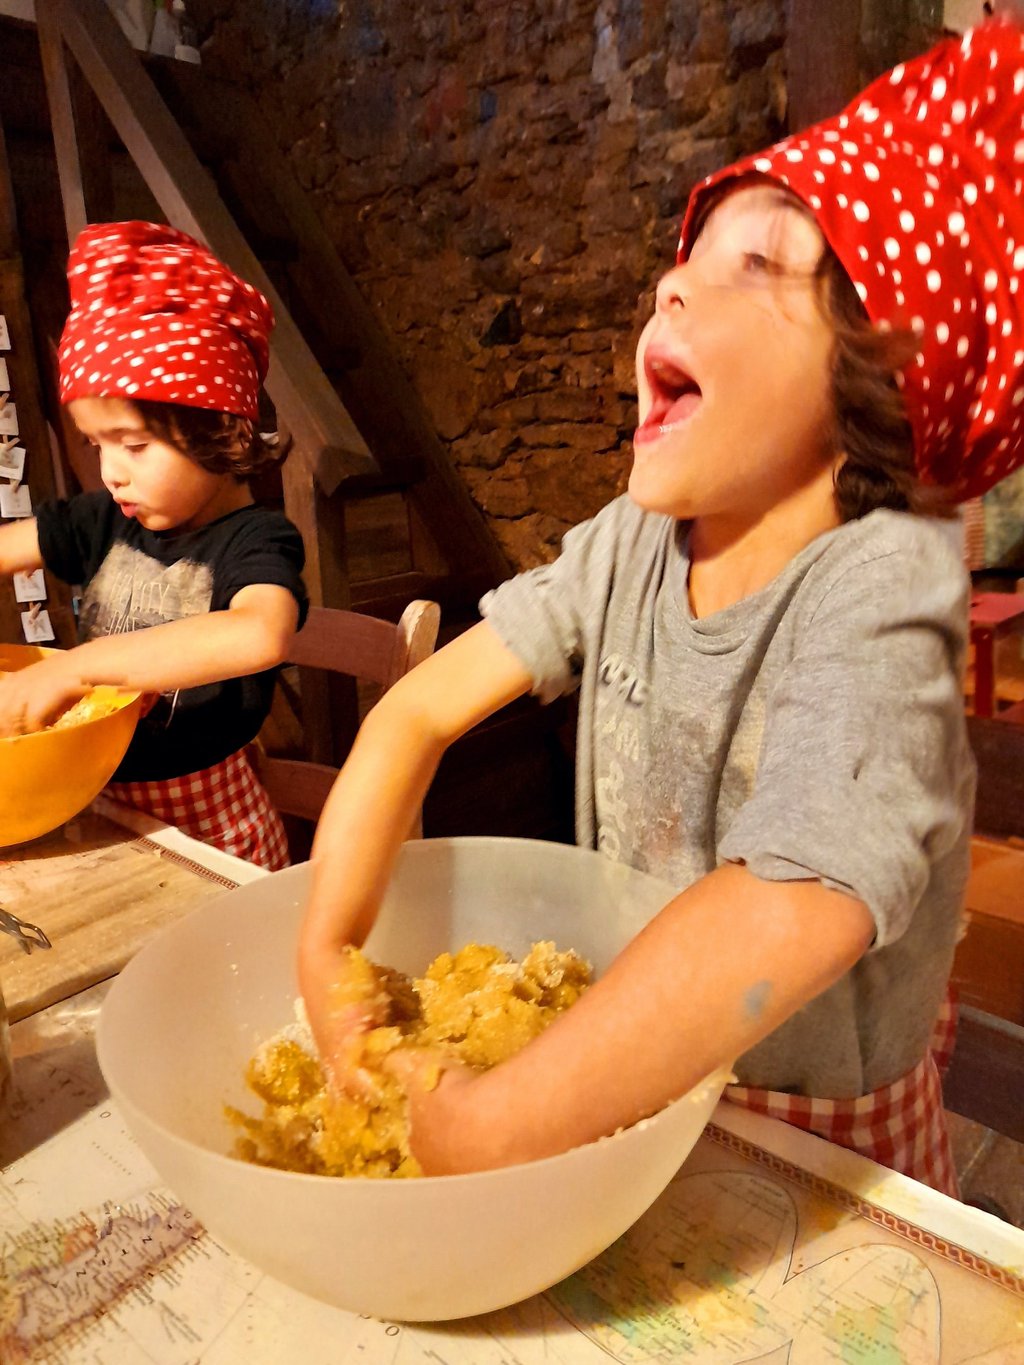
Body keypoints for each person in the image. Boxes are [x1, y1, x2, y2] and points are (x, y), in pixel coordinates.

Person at [298, 19, 1024, 1194]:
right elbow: (413, 717)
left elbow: (789, 908)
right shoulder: (628, 547)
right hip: (623, 1100)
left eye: (758, 263)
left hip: (817, 1161)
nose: (669, 278)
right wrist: (327, 952)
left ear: (878, 384)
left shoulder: (888, 588)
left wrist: (476, 1128)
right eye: (682, 259)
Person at [0, 222, 308, 870]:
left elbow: (260, 634)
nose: (111, 471)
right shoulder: (104, 518)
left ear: (216, 428)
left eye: (134, 444)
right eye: (97, 444)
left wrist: (78, 665)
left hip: (215, 834)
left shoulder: (255, 539)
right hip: (100, 804)